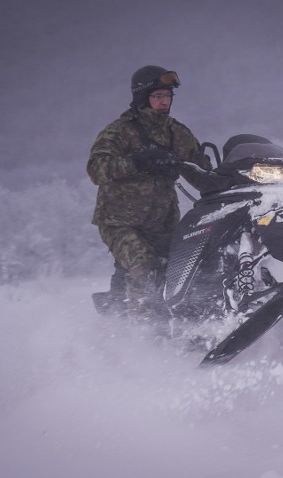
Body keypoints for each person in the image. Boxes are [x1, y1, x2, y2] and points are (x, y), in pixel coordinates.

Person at [87, 65, 212, 320]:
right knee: (143, 263)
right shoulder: (120, 131)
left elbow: (201, 171)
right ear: (143, 97)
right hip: (119, 223)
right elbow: (96, 169)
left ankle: (191, 324)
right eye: (158, 96)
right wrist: (137, 162)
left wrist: (233, 179)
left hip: (163, 223)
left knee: (187, 267)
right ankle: (142, 330)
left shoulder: (177, 132)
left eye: (168, 96)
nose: (164, 102)